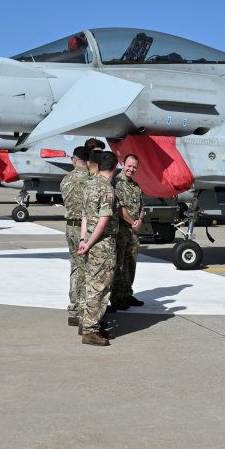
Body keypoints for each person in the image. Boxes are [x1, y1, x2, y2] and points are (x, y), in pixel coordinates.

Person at [78, 150, 119, 346]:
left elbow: (85, 216)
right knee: (100, 287)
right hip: (102, 244)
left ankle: (88, 322)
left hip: (89, 240)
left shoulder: (89, 185)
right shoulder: (107, 190)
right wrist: (91, 242)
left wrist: (83, 240)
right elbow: (103, 222)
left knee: (90, 284)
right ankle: (90, 330)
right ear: (115, 167)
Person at [60, 146, 91, 327]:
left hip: (70, 227)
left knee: (74, 267)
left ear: (74, 159)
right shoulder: (90, 179)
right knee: (85, 269)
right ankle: (81, 308)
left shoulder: (65, 180)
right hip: (84, 229)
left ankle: (73, 307)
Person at [111, 153, 145, 310]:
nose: (131, 169)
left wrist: (140, 220)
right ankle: (117, 296)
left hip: (133, 233)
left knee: (131, 263)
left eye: (134, 167)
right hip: (121, 232)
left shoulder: (136, 186)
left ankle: (127, 293)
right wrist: (133, 223)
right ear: (122, 164)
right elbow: (120, 209)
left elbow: (142, 206)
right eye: (129, 166)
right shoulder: (116, 183)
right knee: (119, 265)